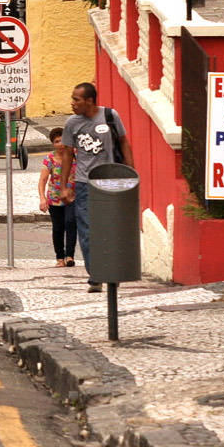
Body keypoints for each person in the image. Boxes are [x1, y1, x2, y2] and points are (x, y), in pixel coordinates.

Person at [62, 82, 133, 293]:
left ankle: (112, 270)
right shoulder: (72, 123)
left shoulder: (111, 116)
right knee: (87, 231)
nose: (72, 103)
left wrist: (131, 172)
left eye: (76, 99)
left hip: (110, 180)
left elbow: (123, 142)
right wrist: (66, 185)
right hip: (85, 183)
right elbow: (67, 153)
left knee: (112, 228)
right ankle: (96, 275)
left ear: (89, 101)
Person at [38, 126, 76, 267]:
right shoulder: (49, 158)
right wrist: (43, 199)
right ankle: (60, 257)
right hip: (55, 198)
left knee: (71, 223)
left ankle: (70, 256)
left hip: (73, 197)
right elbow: (43, 180)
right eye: (56, 141)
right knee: (58, 227)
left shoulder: (75, 155)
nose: (60, 144)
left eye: (62, 140)